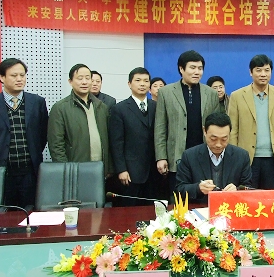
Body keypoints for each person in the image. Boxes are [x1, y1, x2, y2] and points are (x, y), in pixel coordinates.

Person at [0, 58, 48, 209]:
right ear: (2, 77)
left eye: (22, 75)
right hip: (2, 171)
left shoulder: (37, 102)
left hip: (31, 172)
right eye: (14, 76)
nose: (19, 79)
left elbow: (43, 134)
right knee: (3, 214)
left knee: (31, 212)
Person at [154, 51, 220, 193]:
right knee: (178, 197)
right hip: (176, 156)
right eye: (192, 68)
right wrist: (161, 157)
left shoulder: (211, 93)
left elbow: (216, 127)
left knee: (204, 196)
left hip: (204, 155)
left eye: (200, 68)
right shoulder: (166, 92)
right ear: (181, 69)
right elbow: (160, 128)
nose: (197, 72)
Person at [229, 55, 274, 189]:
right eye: (258, 70)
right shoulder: (237, 96)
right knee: (247, 197)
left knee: (270, 197)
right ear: (251, 72)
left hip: (273, 158)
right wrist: (233, 157)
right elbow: (233, 129)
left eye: (267, 70)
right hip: (246, 158)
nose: (263, 74)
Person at [47, 63, 112, 174]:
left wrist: (109, 168)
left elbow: (109, 140)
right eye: (80, 78)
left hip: (100, 169)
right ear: (70, 81)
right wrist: (65, 170)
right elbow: (56, 145)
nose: (84, 82)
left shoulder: (102, 107)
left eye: (88, 78)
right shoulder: (60, 108)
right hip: (75, 169)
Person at [175, 112, 252, 203]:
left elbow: (249, 188)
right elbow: (179, 189)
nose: (218, 144)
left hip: (230, 207)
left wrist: (237, 190)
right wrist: (198, 188)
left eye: (224, 139)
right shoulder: (189, 156)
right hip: (201, 208)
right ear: (204, 131)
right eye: (213, 139)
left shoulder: (241, 156)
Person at [109, 67, 157, 205]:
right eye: (138, 80)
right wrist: (121, 169)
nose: (142, 84)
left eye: (146, 81)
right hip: (130, 172)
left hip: (153, 171)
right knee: (130, 210)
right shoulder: (119, 109)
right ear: (129, 84)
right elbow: (116, 143)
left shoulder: (156, 106)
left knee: (152, 210)